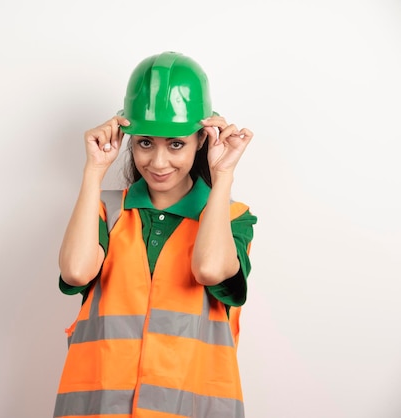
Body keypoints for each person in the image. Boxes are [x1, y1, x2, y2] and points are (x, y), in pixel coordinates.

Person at [54, 51, 257, 418]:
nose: (158, 162)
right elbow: (75, 272)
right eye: (145, 142)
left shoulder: (232, 218)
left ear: (201, 140)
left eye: (176, 144)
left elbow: (210, 269)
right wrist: (93, 171)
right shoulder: (106, 211)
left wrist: (223, 174)